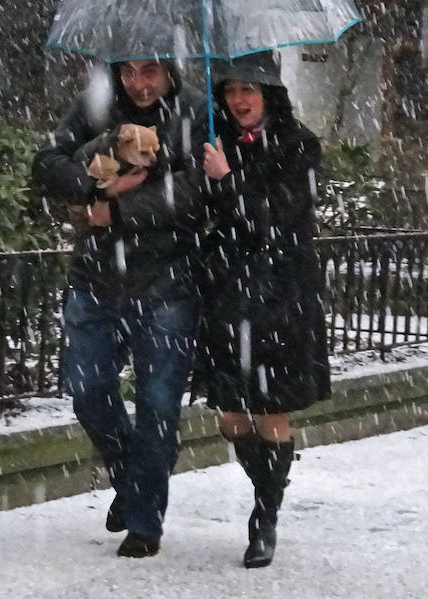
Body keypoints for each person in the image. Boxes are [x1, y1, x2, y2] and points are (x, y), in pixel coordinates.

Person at [32, 59, 209, 558]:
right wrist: (93, 184)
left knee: (157, 407)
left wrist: (117, 211)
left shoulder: (194, 110)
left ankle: (144, 522)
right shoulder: (97, 107)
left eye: (151, 70)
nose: (140, 83)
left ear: (170, 69)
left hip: (167, 285)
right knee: (88, 393)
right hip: (95, 281)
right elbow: (46, 166)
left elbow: (197, 194)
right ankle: (131, 479)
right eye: (129, 71)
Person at [196, 52, 331, 568]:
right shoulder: (214, 141)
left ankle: (264, 517)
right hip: (226, 293)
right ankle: (269, 484)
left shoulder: (300, 146)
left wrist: (227, 179)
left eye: (249, 90)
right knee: (230, 416)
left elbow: (275, 217)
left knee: (273, 410)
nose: (239, 100)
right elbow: (203, 212)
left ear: (270, 93)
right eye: (231, 90)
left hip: (280, 292)